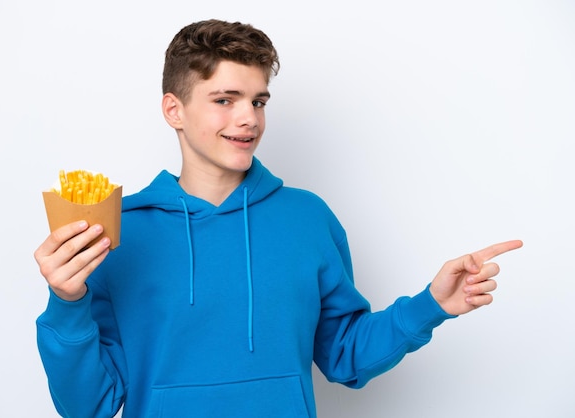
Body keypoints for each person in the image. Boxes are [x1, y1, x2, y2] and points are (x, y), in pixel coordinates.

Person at [34, 19, 523, 418]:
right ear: (174, 110)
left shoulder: (307, 218)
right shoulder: (120, 230)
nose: (249, 118)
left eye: (258, 101)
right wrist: (66, 301)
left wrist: (431, 304)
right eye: (225, 100)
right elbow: (89, 406)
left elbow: (345, 356)